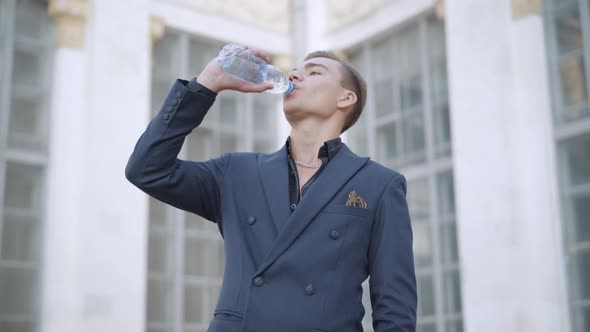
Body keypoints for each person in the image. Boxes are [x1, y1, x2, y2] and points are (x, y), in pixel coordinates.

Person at [125, 46, 417, 332]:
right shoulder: (236, 173)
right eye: (295, 71)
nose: (296, 76)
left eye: (314, 72)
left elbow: (395, 309)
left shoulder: (379, 184)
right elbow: (147, 169)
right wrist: (208, 82)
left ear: (346, 98)